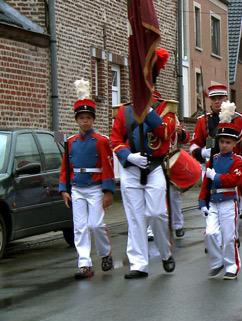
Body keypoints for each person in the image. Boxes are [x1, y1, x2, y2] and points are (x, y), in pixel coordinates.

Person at [111, 48, 176, 279]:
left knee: (158, 213)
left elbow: (166, 132)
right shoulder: (124, 110)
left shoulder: (165, 108)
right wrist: (128, 156)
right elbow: (116, 139)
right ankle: (139, 263)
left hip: (154, 166)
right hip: (131, 168)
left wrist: (148, 111)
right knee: (136, 218)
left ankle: (166, 252)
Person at [59, 79, 114, 279]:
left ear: (93, 119)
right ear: (76, 120)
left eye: (88, 117)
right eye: (81, 118)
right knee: (80, 227)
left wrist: (108, 191)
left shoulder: (101, 141)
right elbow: (65, 166)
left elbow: (107, 166)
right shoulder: (70, 142)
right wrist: (64, 188)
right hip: (77, 188)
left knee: (96, 225)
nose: (85, 121)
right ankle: (84, 263)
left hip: (95, 187)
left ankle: (105, 252)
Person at [198, 101, 242, 280]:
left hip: (228, 201)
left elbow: (235, 179)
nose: (224, 145)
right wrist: (202, 202)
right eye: (222, 142)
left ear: (233, 144)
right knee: (210, 233)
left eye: (228, 142)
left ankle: (232, 266)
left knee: (228, 237)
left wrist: (215, 177)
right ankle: (217, 262)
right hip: (213, 202)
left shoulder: (237, 160)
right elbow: (205, 184)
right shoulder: (213, 159)